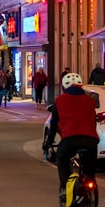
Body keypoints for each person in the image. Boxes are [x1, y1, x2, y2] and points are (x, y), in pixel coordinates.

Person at [43, 72, 98, 200]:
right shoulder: (90, 101)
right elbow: (93, 122)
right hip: (90, 140)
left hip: (69, 139)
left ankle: (65, 186)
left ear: (63, 87)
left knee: (61, 158)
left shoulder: (60, 101)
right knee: (90, 169)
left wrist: (48, 142)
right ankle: (90, 188)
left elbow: (53, 125)